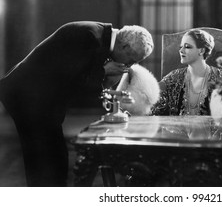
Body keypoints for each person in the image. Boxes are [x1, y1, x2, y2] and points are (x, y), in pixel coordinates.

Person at [0, 21, 154, 186]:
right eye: (131, 60)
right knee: (43, 163)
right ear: (124, 46)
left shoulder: (100, 37)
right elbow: (72, 78)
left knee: (56, 158)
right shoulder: (88, 36)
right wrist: (104, 71)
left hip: (40, 100)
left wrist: (104, 76)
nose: (128, 65)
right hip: (27, 97)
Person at [151, 29, 222, 116]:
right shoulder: (173, 78)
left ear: (202, 51)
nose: (181, 51)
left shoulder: (221, 77)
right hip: (178, 128)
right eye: (180, 47)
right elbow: (153, 101)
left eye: (187, 47)